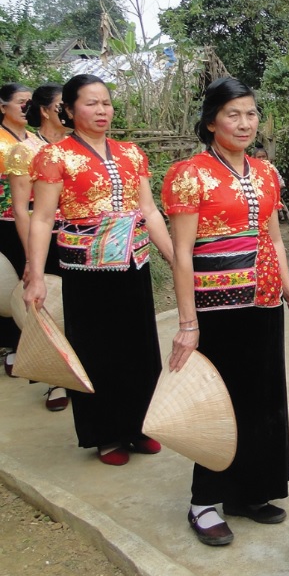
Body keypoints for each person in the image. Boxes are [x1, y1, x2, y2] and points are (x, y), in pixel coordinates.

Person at [163, 77, 289, 546]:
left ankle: (249, 491)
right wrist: (188, 323)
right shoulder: (189, 174)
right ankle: (203, 501)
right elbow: (182, 253)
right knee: (219, 401)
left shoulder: (266, 173)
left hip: (263, 298)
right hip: (215, 305)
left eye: (250, 113)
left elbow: (276, 239)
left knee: (262, 397)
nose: (245, 123)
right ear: (211, 121)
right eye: (233, 114)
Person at [23, 74, 173, 466]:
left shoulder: (131, 153)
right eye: (91, 103)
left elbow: (150, 211)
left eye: (106, 102)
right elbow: (41, 219)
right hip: (86, 271)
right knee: (98, 350)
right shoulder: (54, 157)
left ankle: (139, 426)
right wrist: (35, 274)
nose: (102, 110)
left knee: (139, 347)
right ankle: (106, 434)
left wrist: (176, 257)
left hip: (133, 263)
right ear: (69, 111)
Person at [8, 83, 71, 410]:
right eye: (62, 105)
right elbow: (21, 209)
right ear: (45, 110)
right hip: (44, 239)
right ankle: (55, 380)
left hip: (80, 241)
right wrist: (32, 258)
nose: (68, 110)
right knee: (49, 308)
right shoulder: (26, 150)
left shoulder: (78, 148)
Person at [0, 83, 37, 377]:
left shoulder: (36, 140)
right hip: (4, 221)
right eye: (21, 102)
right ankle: (11, 344)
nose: (27, 108)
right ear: (3, 107)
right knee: (7, 282)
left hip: (36, 219)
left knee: (32, 282)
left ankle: (35, 345)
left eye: (31, 103)